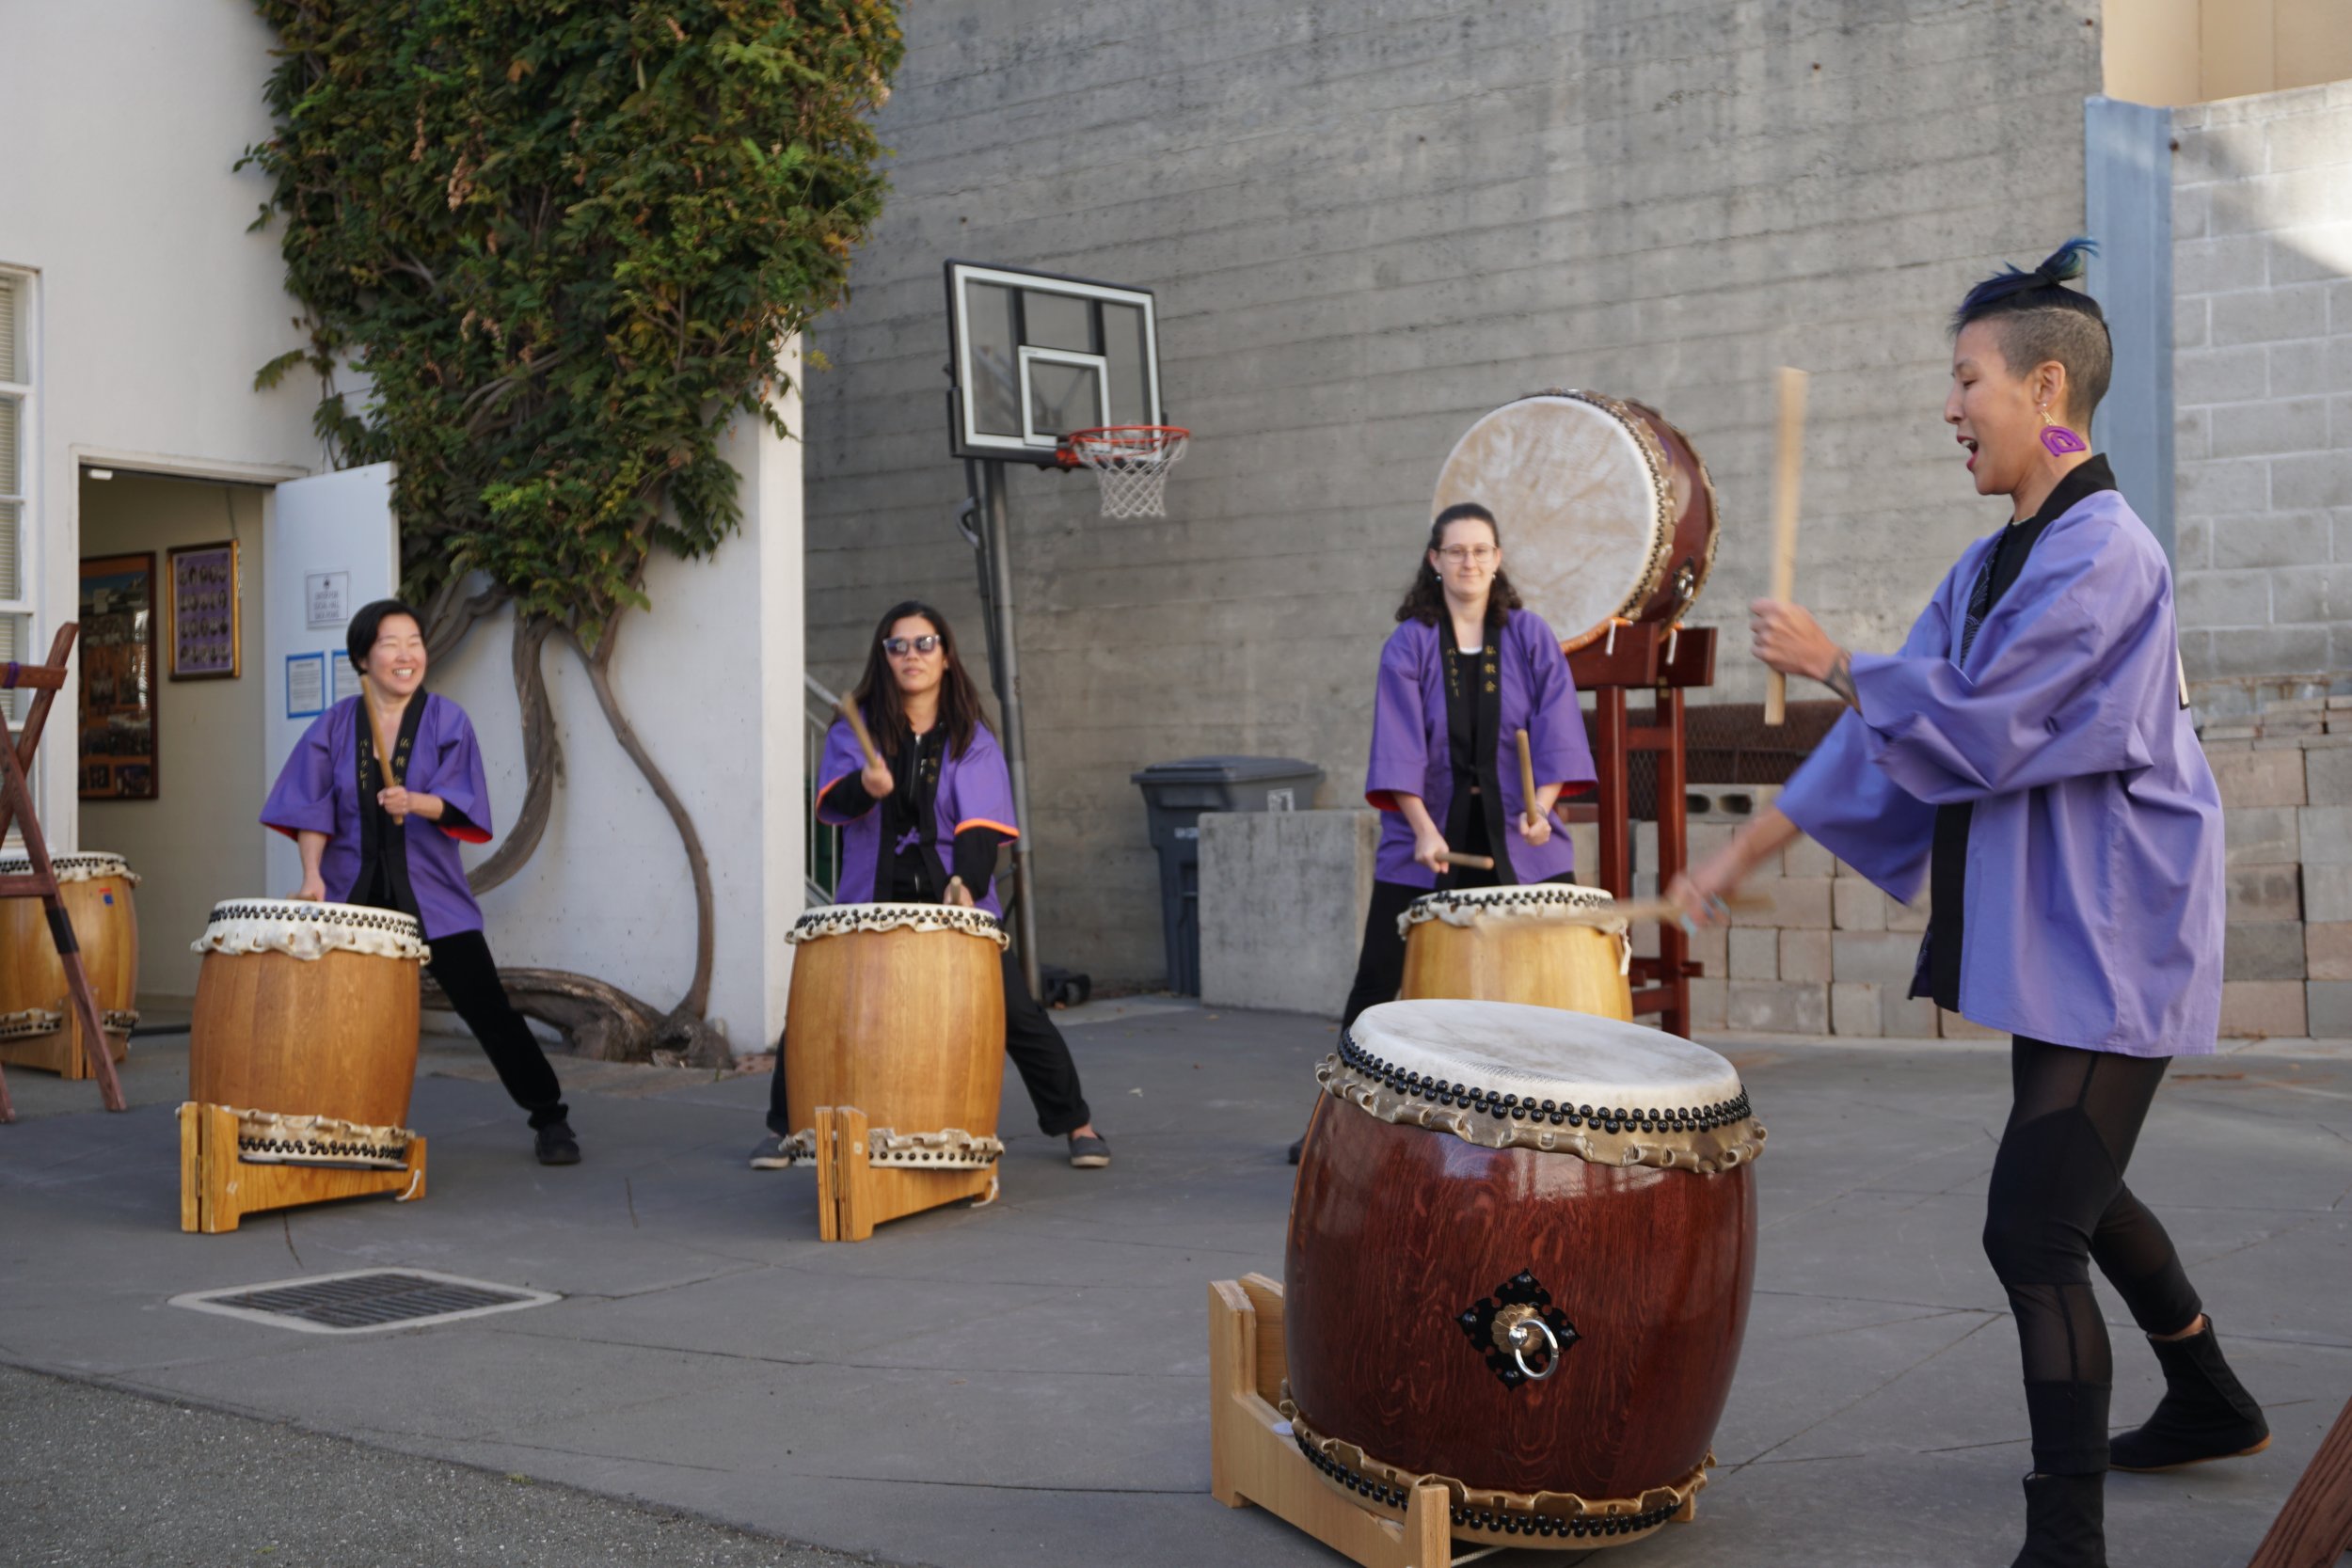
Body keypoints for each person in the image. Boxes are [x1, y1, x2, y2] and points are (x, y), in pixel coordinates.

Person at [1676, 239, 2264, 1567]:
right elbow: (1882, 736)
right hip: (2059, 941)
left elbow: (1987, 725)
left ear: (2045, 386)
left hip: (2119, 936)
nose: (1950, 407)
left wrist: (1837, 657)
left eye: (1967, 380)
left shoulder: (2109, 554)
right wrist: (1730, 858)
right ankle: (2216, 1396)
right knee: (2084, 1190)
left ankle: (2066, 1543)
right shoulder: (1992, 563)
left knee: (2033, 1222)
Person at [750, 600, 1110, 1170]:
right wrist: (866, 787)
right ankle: (782, 1129)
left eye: (924, 643)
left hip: (953, 897)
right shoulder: (857, 725)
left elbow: (982, 824)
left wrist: (966, 883)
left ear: (945, 656)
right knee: (823, 1011)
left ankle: (1077, 1124)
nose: (911, 655)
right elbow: (834, 802)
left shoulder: (970, 735)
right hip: (872, 897)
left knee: (1014, 1013)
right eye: (898, 645)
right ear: (884, 656)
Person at [1289, 502, 1597, 1163]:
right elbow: (1398, 745)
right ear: (1434, 560)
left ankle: (1567, 1123)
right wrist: (1422, 827)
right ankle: (1332, 1128)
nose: (1470, 562)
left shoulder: (1530, 636)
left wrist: (1542, 805)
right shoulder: (1409, 643)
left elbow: (1558, 727)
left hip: (1520, 835)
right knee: (1378, 980)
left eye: (1481, 550)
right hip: (1426, 836)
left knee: (1558, 973)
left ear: (1498, 558)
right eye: (1456, 551)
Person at [262, 599, 580, 1165]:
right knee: (334, 1011)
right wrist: (311, 877)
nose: (406, 655)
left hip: (430, 894)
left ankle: (550, 1117)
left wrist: (418, 802)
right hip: (350, 891)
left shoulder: (446, 721)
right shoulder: (335, 725)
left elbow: (464, 799)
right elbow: (312, 808)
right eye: (391, 643)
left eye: (414, 642)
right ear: (363, 656)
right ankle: (334, 1122)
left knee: (486, 1007)